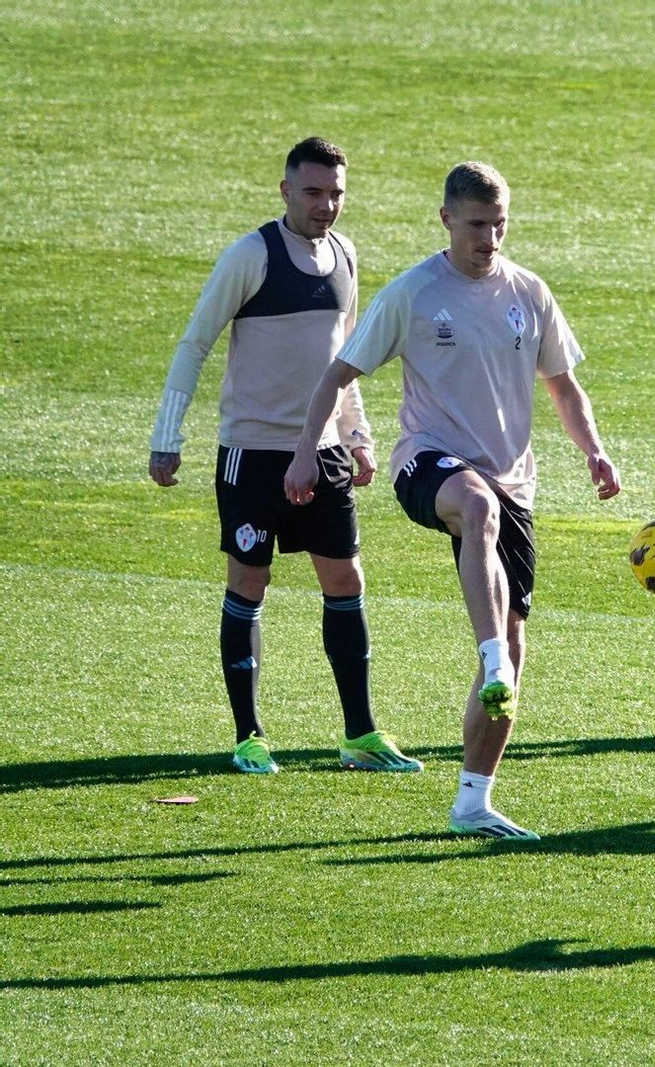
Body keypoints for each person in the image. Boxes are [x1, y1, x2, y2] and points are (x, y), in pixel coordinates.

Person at [286, 161, 620, 838]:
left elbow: (563, 385)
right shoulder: (414, 293)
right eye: (476, 225)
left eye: (499, 224)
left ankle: (473, 800)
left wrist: (594, 450)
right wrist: (306, 449)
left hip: (512, 477)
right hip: (427, 461)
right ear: (446, 220)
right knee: (476, 508)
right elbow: (338, 373)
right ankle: (491, 652)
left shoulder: (529, 291)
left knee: (515, 648)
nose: (489, 238)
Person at [149, 137, 420, 776]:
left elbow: (345, 358)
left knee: (346, 581)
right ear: (285, 191)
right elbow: (195, 344)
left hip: (322, 454)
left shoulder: (347, 254)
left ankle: (360, 734)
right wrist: (167, 438)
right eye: (313, 192)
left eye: (336, 193)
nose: (326, 205)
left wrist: (358, 437)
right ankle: (249, 735)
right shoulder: (251, 256)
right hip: (253, 456)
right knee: (250, 581)